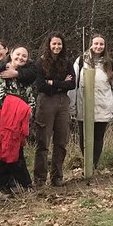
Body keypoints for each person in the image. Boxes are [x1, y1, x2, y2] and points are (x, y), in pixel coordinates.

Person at [0, 45, 36, 194]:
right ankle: (0, 185)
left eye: (24, 56)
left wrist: (24, 111)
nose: (20, 58)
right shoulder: (1, 74)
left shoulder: (25, 79)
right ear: (12, 54)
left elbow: (31, 101)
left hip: (18, 124)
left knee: (17, 153)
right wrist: (20, 106)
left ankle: (23, 184)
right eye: (18, 54)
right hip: (1, 122)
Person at [71, 33, 113, 171]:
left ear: (105, 46)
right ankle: (87, 165)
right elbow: (73, 85)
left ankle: (93, 166)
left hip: (103, 106)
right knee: (84, 137)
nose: (98, 46)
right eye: (96, 43)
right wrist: (72, 106)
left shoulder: (109, 64)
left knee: (98, 138)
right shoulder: (81, 61)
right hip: (84, 106)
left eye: (101, 44)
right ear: (91, 44)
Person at [34, 32, 75, 186]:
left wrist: (53, 83)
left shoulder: (67, 63)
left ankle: (57, 176)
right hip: (46, 102)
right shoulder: (40, 63)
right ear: (49, 45)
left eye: (59, 44)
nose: (57, 46)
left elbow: (72, 84)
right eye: (54, 44)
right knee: (43, 141)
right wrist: (61, 83)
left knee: (61, 141)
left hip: (63, 103)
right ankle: (40, 178)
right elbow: (40, 85)